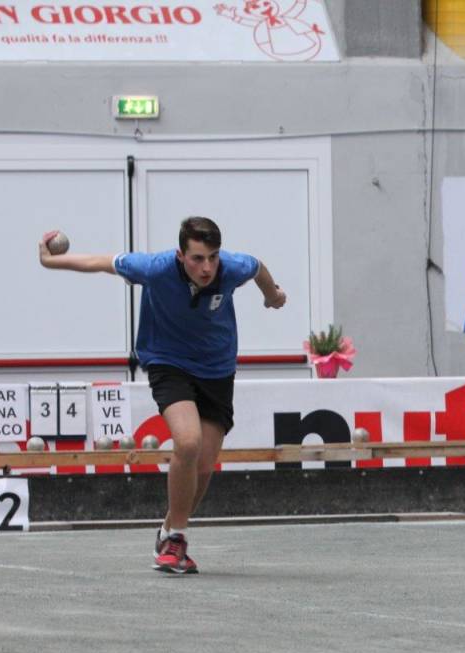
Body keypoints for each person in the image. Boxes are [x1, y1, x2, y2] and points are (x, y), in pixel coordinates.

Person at [39, 216, 287, 573]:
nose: (207, 267)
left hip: (217, 370)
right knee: (187, 443)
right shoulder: (154, 268)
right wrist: (51, 261)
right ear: (180, 255)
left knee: (202, 467)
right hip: (168, 363)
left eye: (212, 257)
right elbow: (100, 263)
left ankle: (169, 530)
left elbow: (259, 268)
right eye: (198, 258)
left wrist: (272, 294)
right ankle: (177, 540)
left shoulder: (233, 267)